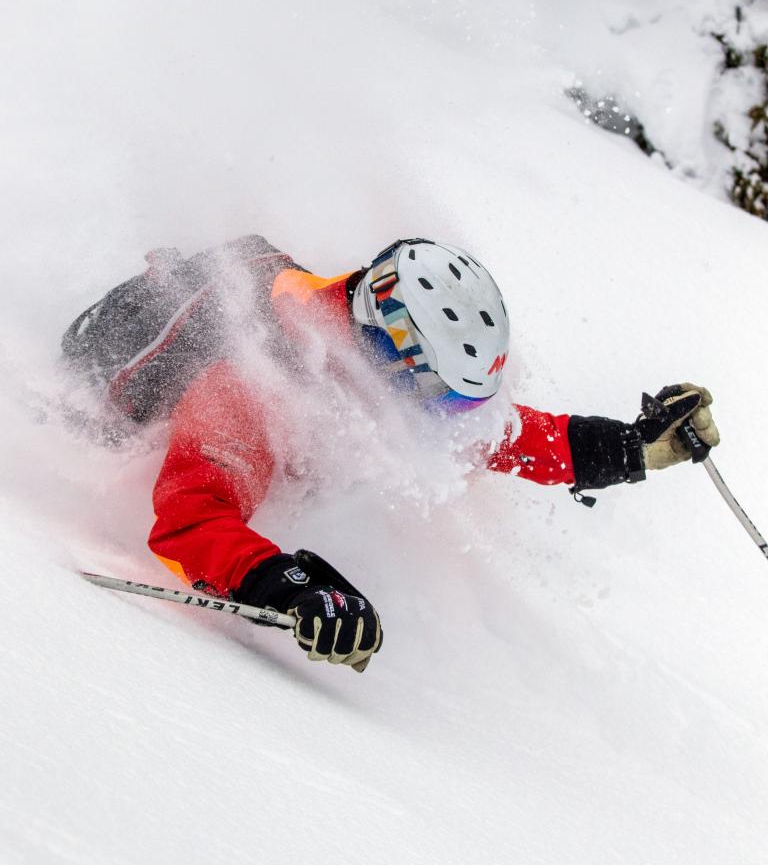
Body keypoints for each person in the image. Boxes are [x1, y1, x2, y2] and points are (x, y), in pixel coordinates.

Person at [62, 234, 720, 672]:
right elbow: (188, 521)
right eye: (449, 400)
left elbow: (503, 436)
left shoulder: (363, 354)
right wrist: (286, 584)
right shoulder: (253, 387)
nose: (456, 419)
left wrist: (632, 448)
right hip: (104, 386)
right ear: (391, 360)